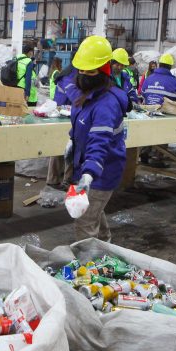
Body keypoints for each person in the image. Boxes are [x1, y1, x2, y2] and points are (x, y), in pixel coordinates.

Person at [65, 36, 128, 242]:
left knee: (84, 220)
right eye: (81, 71)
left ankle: (87, 267)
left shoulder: (106, 104)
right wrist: (71, 141)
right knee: (95, 210)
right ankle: (105, 246)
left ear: (103, 72)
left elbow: (99, 141)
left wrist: (89, 174)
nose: (83, 75)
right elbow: (81, 126)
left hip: (102, 169)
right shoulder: (88, 95)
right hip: (85, 165)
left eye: (90, 72)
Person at [140, 54, 176, 167]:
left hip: (148, 114)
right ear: (170, 67)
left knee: (147, 134)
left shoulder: (149, 78)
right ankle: (156, 158)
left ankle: (144, 154)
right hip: (164, 115)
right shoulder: (173, 81)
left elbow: (142, 92)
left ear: (159, 65)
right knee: (162, 136)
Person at [46, 52, 78, 189]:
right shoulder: (75, 75)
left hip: (57, 112)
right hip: (68, 115)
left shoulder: (65, 73)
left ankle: (53, 179)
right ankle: (68, 179)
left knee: (56, 146)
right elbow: (76, 98)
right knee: (71, 147)